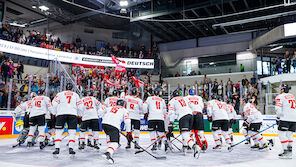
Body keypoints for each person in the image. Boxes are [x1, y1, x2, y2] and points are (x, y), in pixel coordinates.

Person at [168, 90, 201, 159]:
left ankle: (194, 146)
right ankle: (185, 146)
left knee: (184, 134)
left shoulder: (172, 101)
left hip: (183, 116)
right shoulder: (184, 98)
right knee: (187, 133)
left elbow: (171, 112)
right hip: (190, 115)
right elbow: (192, 105)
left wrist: (171, 122)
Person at [52, 83, 81, 156]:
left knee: (58, 131)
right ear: (72, 88)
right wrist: (79, 114)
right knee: (72, 132)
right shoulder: (75, 95)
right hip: (72, 114)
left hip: (61, 114)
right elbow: (80, 105)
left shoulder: (60, 94)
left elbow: (54, 103)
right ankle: (71, 148)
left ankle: (57, 148)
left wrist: (55, 112)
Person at [101, 99, 131, 164]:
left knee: (110, 137)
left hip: (104, 124)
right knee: (115, 143)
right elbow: (127, 121)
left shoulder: (110, 107)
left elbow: (101, 112)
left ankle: (109, 153)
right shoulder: (124, 110)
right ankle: (108, 153)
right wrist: (129, 132)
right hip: (113, 125)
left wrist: (106, 120)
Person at [275, 84, 296, 159]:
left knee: (281, 135)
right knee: (289, 135)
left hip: (285, 118)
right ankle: (289, 152)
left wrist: (278, 117)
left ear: (283, 90)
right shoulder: (292, 96)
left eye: (280, 89)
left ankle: (286, 151)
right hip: (294, 119)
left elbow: (278, 108)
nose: (280, 90)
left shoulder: (280, 96)